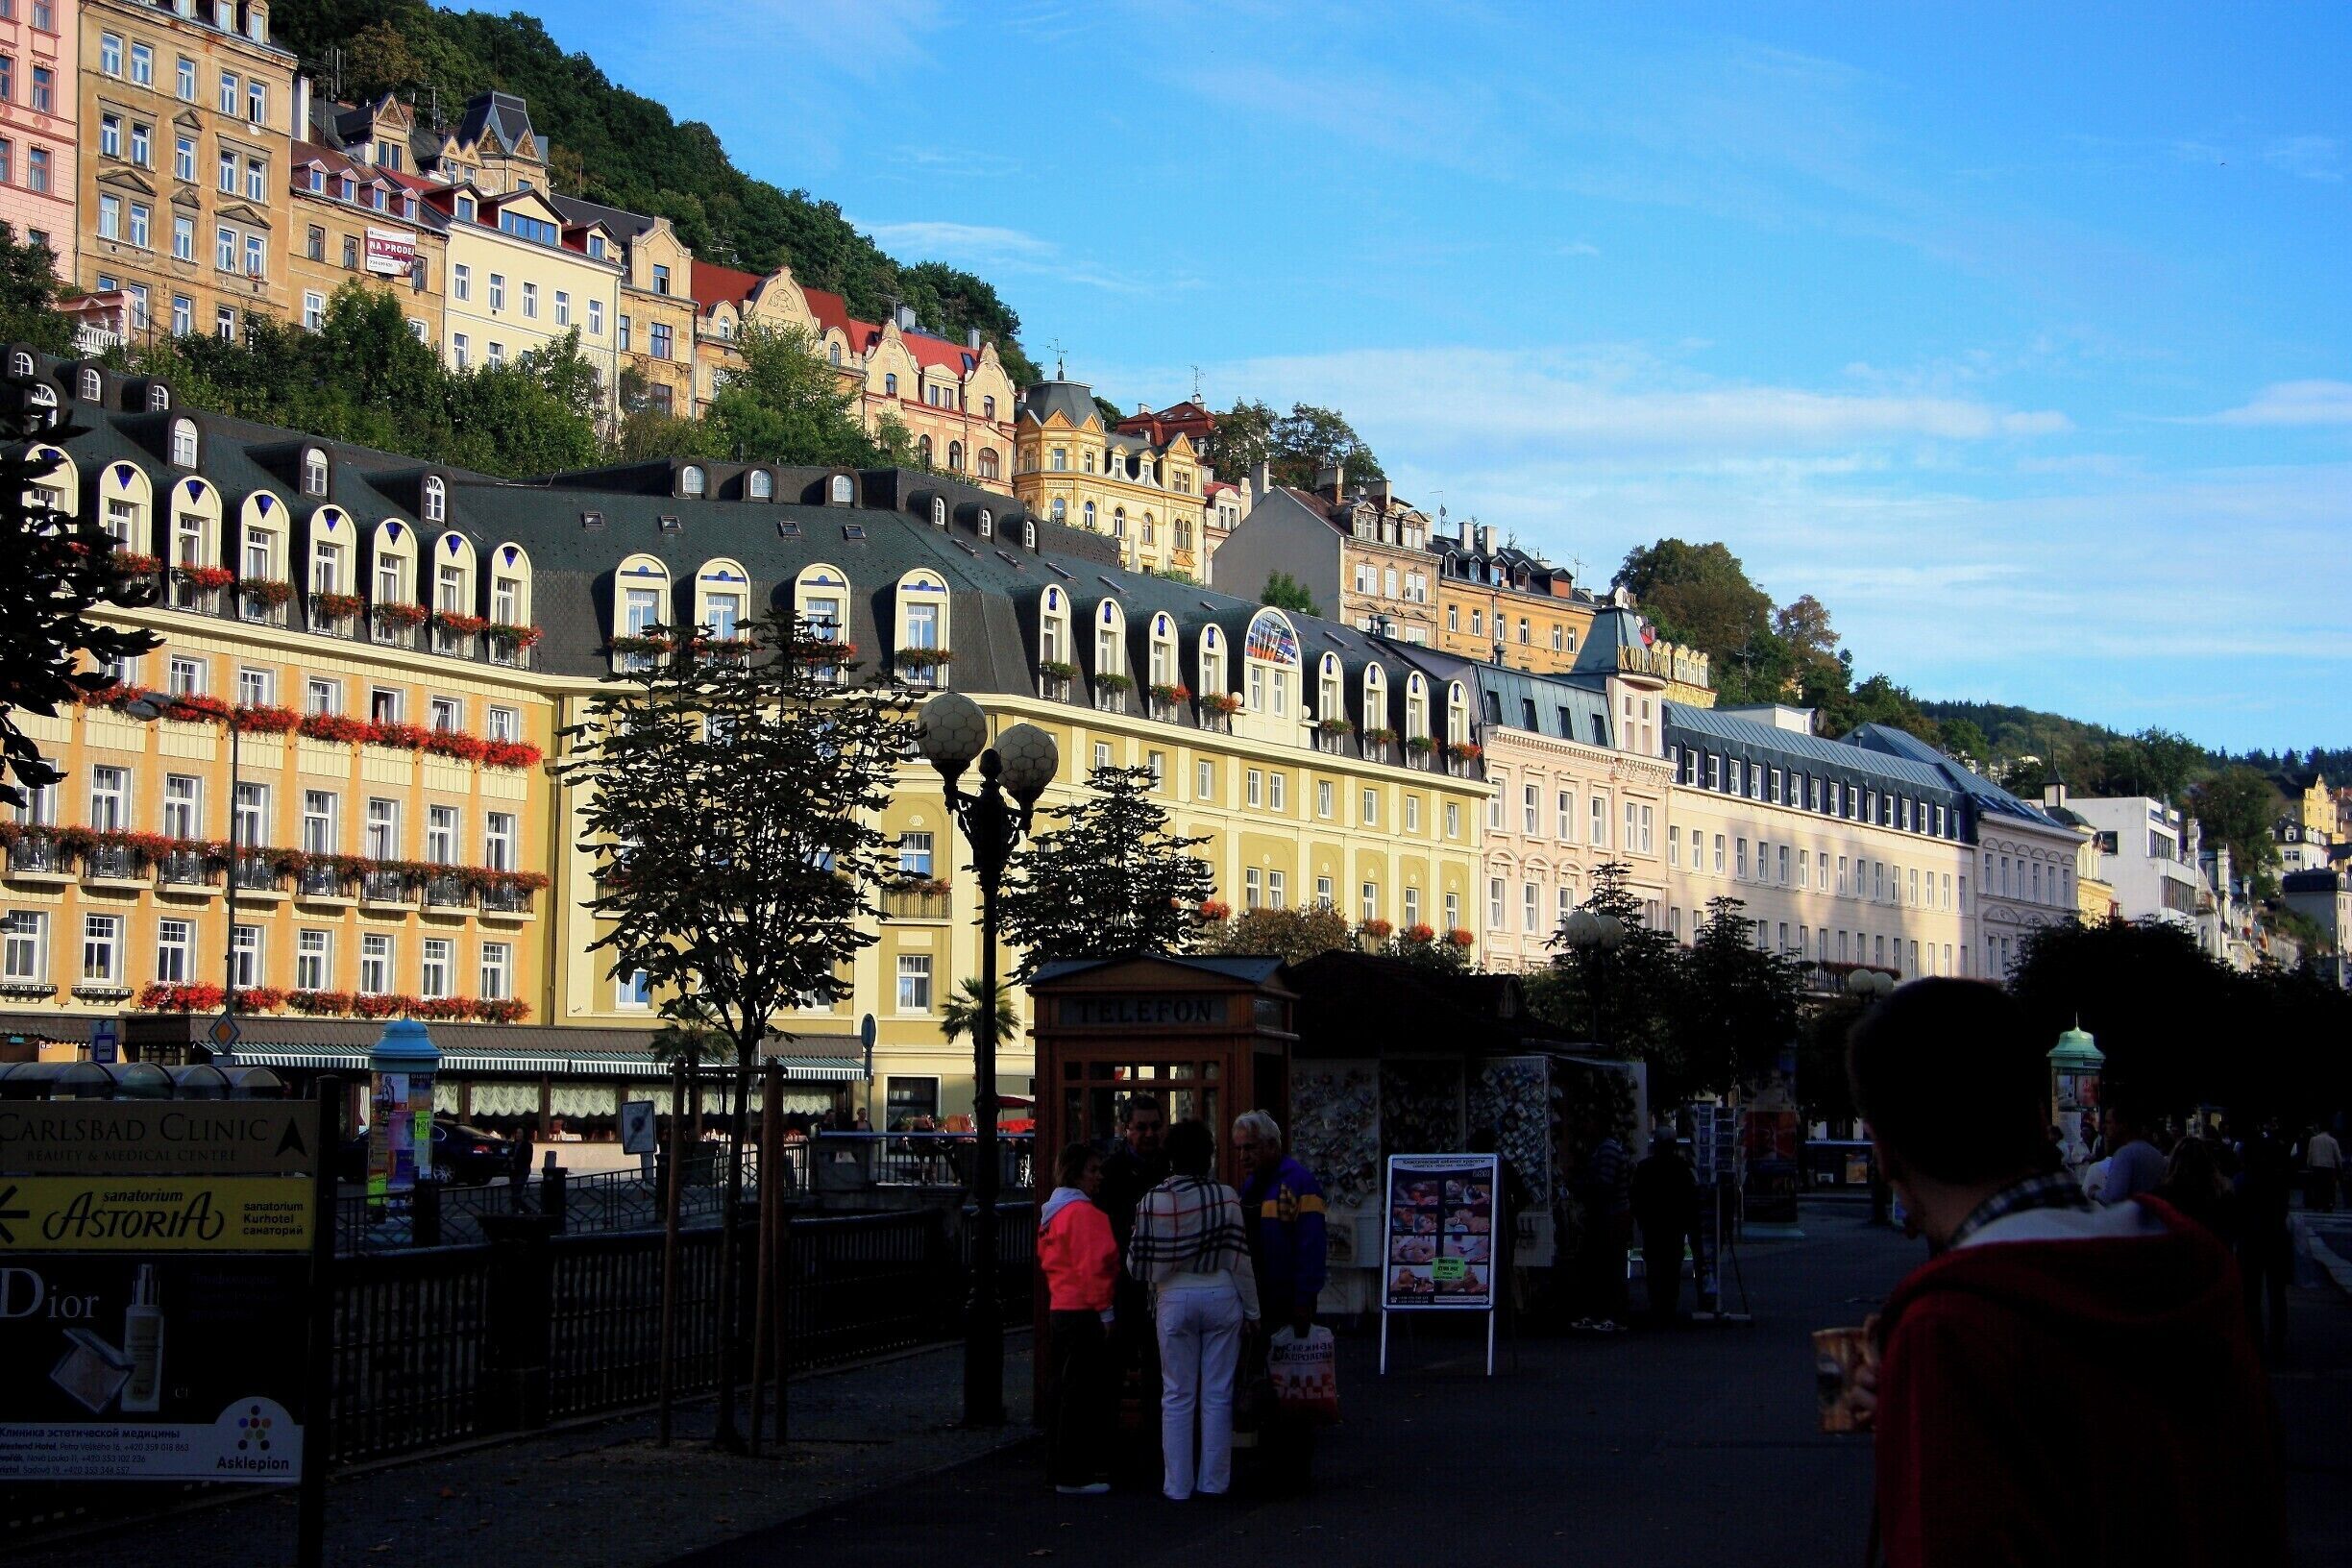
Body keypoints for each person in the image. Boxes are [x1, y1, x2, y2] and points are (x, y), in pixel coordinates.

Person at [1840, 979, 2284, 1568]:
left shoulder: (1954, 1327)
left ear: (1886, 1151)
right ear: (2036, 1114)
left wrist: (1921, 1421)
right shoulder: (2189, 1267)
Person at [1127, 1118, 1259, 1502]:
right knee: (1217, 1394)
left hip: (1174, 1295)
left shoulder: (1153, 1200)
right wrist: (1253, 1312)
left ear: (1170, 1156)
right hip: (1221, 1293)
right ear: (1208, 1155)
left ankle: (1177, 1484)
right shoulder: (1226, 1196)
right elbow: (1240, 1261)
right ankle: (1214, 1482)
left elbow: (1137, 1264)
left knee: (1177, 1394)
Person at [1234, 1110, 1328, 1492]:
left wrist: (1305, 1299)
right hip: (1259, 1301)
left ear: (1273, 1145)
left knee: (1292, 1388)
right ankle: (1275, 1463)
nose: (1244, 1157)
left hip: (1287, 1300)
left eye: (1250, 1148)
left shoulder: (1299, 1184)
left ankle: (1292, 1468)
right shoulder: (1252, 1186)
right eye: (1240, 1150)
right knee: (1269, 1387)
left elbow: (1311, 1246)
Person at [1039, 1142, 1121, 1496]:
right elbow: (1095, 1267)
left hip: (1061, 1307)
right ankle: (1075, 1474)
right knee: (1082, 1395)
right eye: (1093, 1170)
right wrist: (1106, 1311)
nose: (1099, 1177)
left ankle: (1059, 1467)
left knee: (1064, 1391)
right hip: (1084, 1311)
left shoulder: (1053, 1214)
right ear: (1076, 1173)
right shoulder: (1084, 1215)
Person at [2238, 1120, 2294, 1364]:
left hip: (2250, 1240)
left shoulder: (2242, 1180)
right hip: (2276, 1238)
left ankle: (2255, 1341)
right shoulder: (2278, 1180)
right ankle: (2278, 1342)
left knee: (2251, 1295)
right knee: (2277, 1294)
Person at [1629, 1131, 1700, 1325]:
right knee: (1671, 1265)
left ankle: (1657, 1304)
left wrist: (1640, 1219)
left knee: (1655, 1265)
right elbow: (1689, 1196)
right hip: (1674, 1225)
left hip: (1653, 1224)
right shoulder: (1681, 1167)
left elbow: (1636, 1196)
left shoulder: (1645, 1168)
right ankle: (1669, 1305)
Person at [1573, 1111, 1631, 1332]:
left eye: (1588, 1120)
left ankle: (1613, 1315)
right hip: (1611, 1214)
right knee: (1606, 1265)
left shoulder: (1606, 1150)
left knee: (1609, 1265)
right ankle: (1605, 1313)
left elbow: (1604, 1187)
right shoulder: (1606, 1148)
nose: (1585, 1125)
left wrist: (1585, 1190)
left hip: (1610, 1216)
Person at [2098, 1101, 2166, 1206]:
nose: (2104, 1127)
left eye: (2109, 1122)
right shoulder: (2156, 1154)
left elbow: (2113, 1198)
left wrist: (2094, 1192)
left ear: (2123, 1125)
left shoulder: (2124, 1154)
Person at [2305, 1122, 2342, 1213]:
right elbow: (2337, 1156)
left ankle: (2317, 1204)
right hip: (2329, 1167)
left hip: (2317, 1165)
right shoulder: (2333, 1141)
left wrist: (2309, 1164)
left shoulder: (2313, 1140)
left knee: (2317, 1186)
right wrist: (2340, 1167)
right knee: (2329, 1188)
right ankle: (2328, 1205)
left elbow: (2310, 1153)